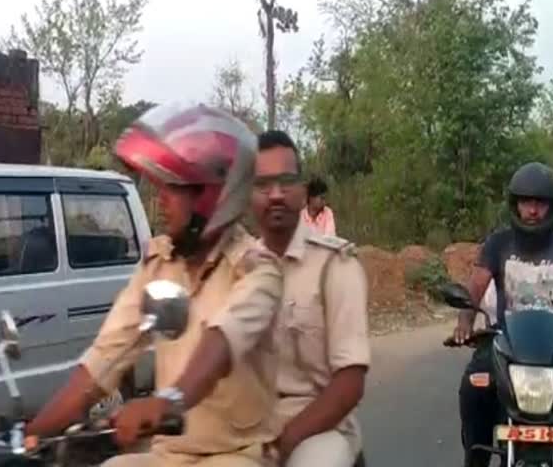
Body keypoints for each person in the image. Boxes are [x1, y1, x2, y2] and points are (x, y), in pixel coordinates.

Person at [25, 104, 284, 467]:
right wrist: (28, 437)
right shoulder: (158, 265)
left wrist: (168, 403)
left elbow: (222, 341)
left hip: (237, 455)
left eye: (173, 187)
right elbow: (103, 361)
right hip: (169, 456)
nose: (159, 198)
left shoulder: (258, 271)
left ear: (211, 196)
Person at [251, 131, 370, 467]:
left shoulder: (336, 265)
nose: (275, 195)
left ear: (303, 191)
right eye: (263, 184)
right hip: (246, 430)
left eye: (286, 182)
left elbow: (349, 384)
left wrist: (285, 441)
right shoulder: (237, 268)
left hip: (318, 430)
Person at [454, 161, 553, 467]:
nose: (533, 210)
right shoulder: (498, 243)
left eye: (540, 203)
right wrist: (465, 321)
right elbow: (477, 285)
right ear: (515, 205)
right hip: (504, 345)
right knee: (473, 387)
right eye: (526, 202)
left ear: (551, 207)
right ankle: (477, 458)